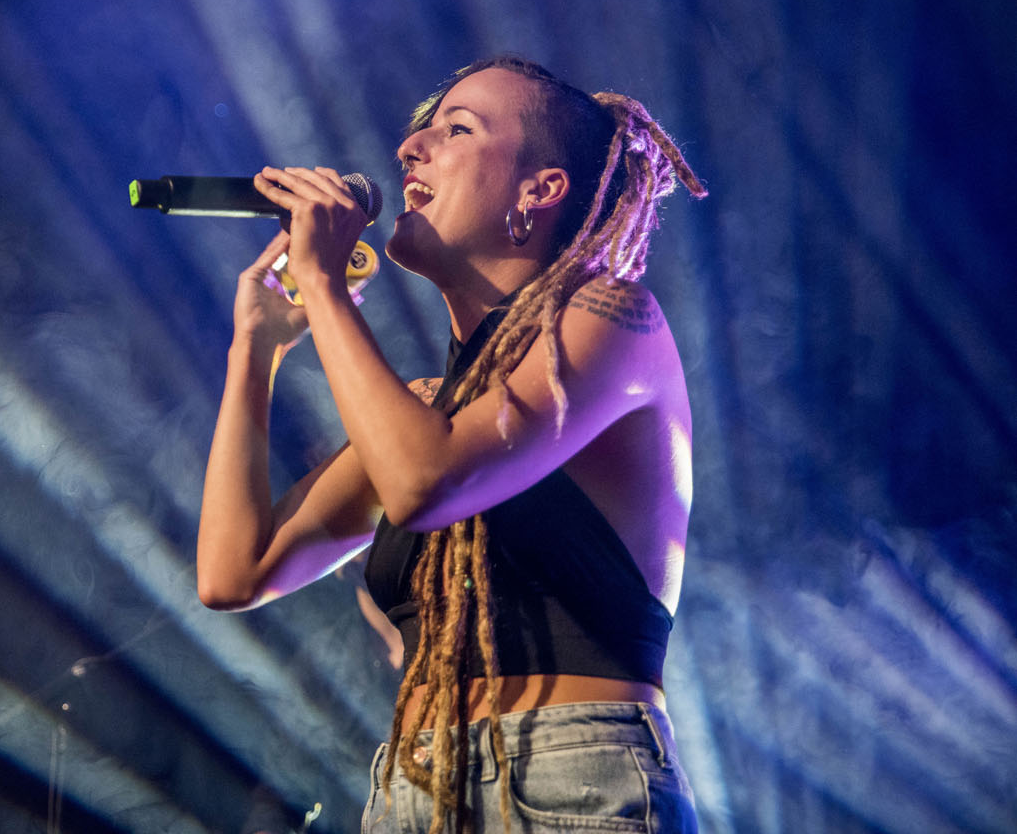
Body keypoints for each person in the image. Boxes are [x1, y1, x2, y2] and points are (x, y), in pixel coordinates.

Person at [196, 56, 706, 833]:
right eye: (420, 131)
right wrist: (254, 350)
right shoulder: (427, 412)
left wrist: (325, 286)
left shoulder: (617, 318)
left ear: (539, 190)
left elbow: (424, 484)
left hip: (572, 779)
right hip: (415, 788)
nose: (410, 148)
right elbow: (235, 572)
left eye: (457, 129)